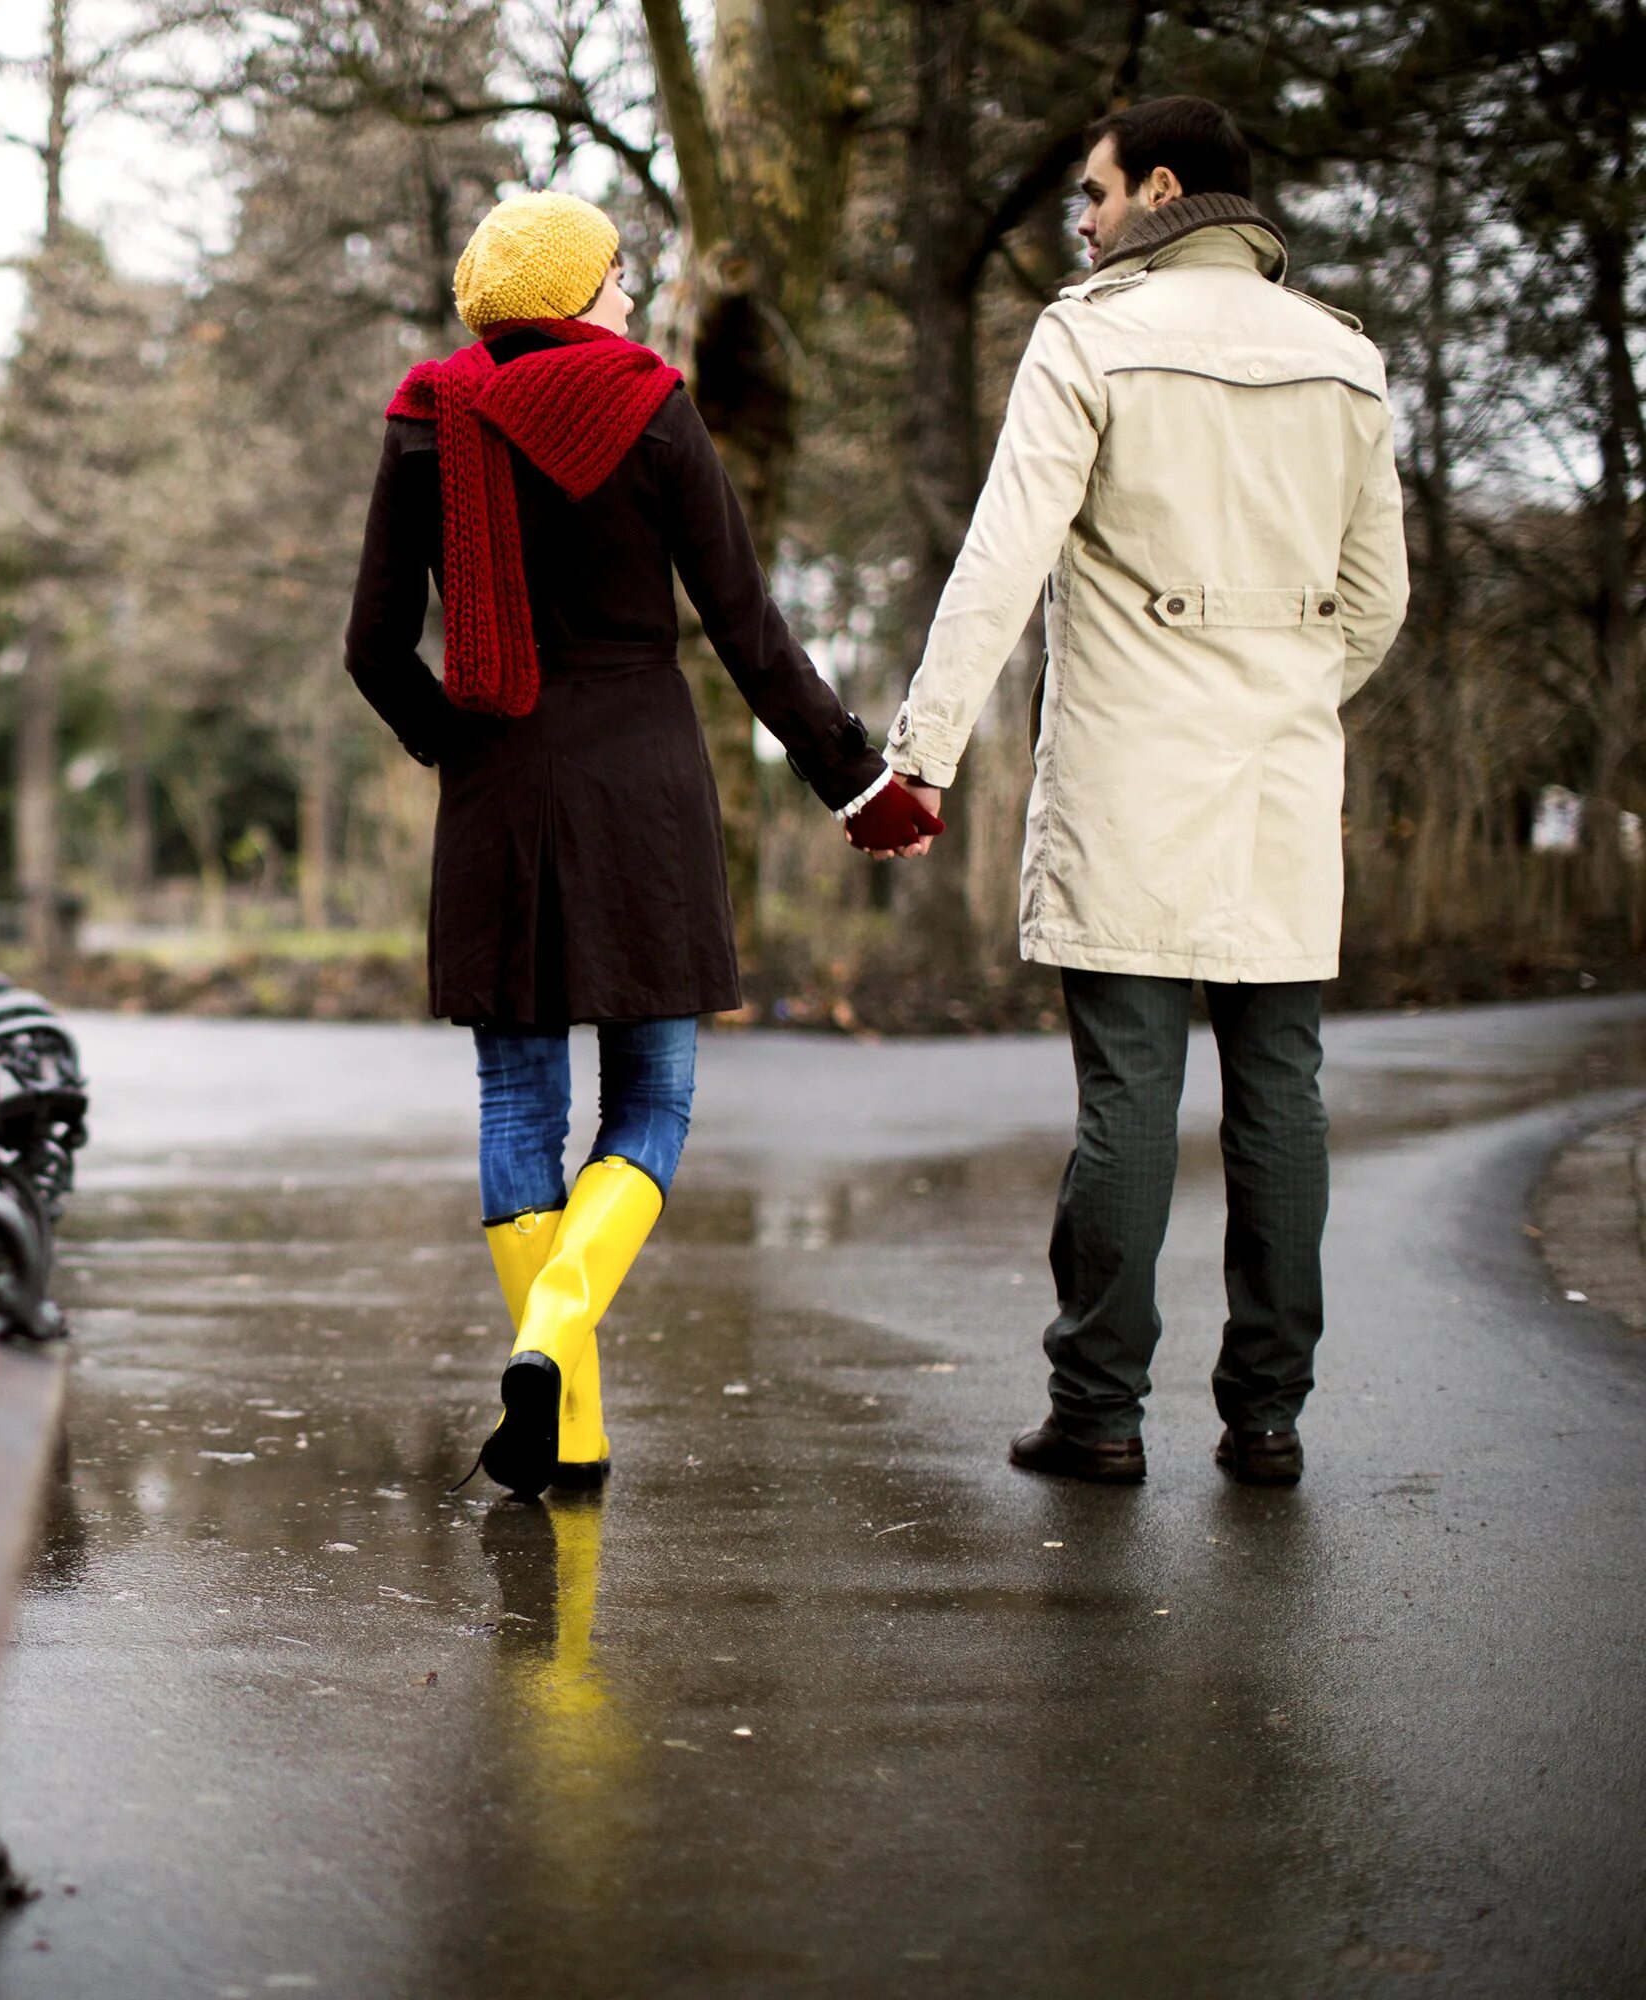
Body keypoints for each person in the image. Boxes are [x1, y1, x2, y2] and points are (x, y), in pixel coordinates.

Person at [344, 189, 941, 1500]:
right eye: (617, 273)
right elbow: (747, 627)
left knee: (517, 1104)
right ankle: (559, 1328)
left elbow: (373, 650)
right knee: (654, 1103)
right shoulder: (650, 404)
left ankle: (570, 1429)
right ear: (570, 290)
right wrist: (857, 782)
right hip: (645, 794)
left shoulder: (425, 420)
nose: (629, 295)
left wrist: (458, 741)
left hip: (499, 789)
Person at [878, 96, 1409, 1487]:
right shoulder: (1347, 365)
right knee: (1280, 1092)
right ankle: (1269, 1415)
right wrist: (1286, 697)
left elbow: (1000, 560)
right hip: (1281, 780)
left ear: (1163, 189)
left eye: (1096, 197)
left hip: (1128, 776)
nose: (1087, 224)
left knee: (1128, 1094)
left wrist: (921, 756)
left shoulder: (1092, 335)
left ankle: (1102, 1411)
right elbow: (1377, 601)